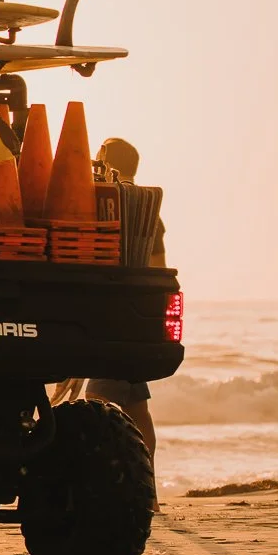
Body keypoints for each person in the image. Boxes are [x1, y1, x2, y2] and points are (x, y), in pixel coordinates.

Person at [84, 137, 161, 464]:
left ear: (105, 160)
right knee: (136, 408)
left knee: (94, 400)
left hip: (113, 315)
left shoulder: (106, 202)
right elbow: (158, 266)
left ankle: (99, 480)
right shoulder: (147, 208)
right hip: (139, 315)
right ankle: (150, 490)